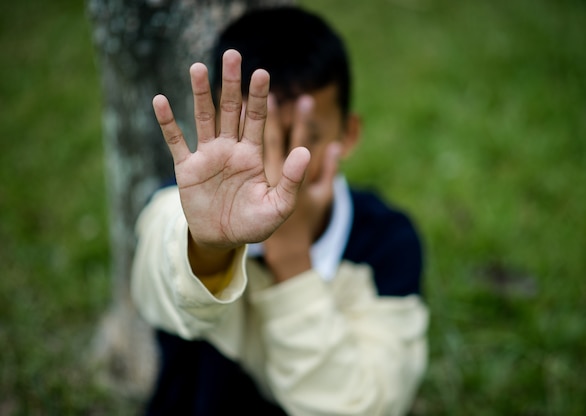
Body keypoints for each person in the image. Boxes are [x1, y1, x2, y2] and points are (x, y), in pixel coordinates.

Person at [131, 6, 428, 415]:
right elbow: (156, 285)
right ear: (217, 125)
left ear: (349, 133)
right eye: (255, 136)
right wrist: (209, 244)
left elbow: (361, 406)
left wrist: (291, 255)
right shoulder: (184, 210)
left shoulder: (387, 243)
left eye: (307, 138)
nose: (277, 167)